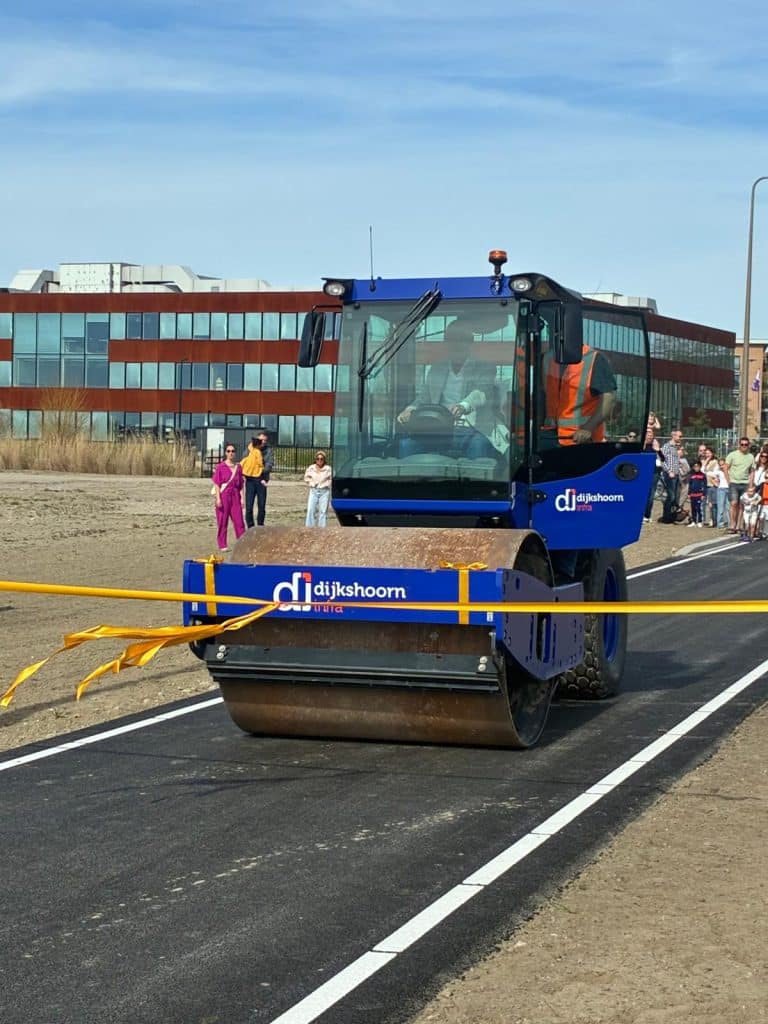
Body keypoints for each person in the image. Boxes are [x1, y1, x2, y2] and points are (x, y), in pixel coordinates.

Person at [397, 321, 498, 459]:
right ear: (447, 343)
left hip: (473, 431)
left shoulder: (485, 368)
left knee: (478, 445)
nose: (456, 344)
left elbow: (481, 393)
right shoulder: (436, 369)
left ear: (470, 342)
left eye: (461, 339)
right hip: (438, 430)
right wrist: (410, 409)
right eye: (452, 340)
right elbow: (423, 398)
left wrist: (463, 406)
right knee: (406, 445)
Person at [541, 342, 616, 445]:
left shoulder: (594, 359)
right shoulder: (548, 358)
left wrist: (588, 428)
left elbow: (608, 399)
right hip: (550, 438)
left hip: (581, 442)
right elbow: (546, 394)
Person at [211, 444, 245, 552]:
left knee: (239, 521)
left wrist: (242, 498)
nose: (231, 453)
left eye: (233, 451)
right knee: (222, 521)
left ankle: (241, 542)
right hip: (224, 495)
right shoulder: (220, 467)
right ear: (225, 452)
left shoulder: (238, 468)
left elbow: (241, 485)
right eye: (228, 451)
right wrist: (218, 498)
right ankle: (222, 544)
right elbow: (217, 483)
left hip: (235, 495)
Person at [725, 436, 755, 534]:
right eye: (742, 444)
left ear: (748, 445)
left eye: (746, 444)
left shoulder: (751, 457)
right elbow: (726, 468)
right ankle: (732, 524)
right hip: (734, 482)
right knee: (733, 503)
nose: (744, 446)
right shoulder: (732, 455)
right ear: (739, 445)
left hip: (745, 483)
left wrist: (750, 484)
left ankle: (738, 525)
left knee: (742, 505)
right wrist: (728, 481)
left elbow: (752, 471)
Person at [240, 436, 264, 530]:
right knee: (252, 505)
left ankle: (254, 526)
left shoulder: (250, 450)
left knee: (255, 505)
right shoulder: (257, 452)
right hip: (254, 478)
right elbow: (260, 463)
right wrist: (261, 468)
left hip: (251, 477)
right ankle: (254, 526)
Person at [304, 451, 332, 527]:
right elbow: (306, 478)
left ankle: (322, 529)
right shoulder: (311, 468)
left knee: (323, 511)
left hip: (324, 491)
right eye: (318, 459)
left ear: (324, 460)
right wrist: (311, 483)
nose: (319, 460)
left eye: (321, 459)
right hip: (314, 490)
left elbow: (331, 479)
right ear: (315, 459)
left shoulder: (328, 469)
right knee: (310, 510)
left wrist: (327, 484)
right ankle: (309, 528)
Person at [660, 429, 683, 523]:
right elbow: (661, 460)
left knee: (676, 496)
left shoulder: (676, 447)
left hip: (677, 474)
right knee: (671, 496)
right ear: (673, 436)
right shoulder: (667, 446)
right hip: (670, 474)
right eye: (679, 436)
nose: (681, 438)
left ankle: (671, 516)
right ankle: (666, 517)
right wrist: (669, 471)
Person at [642, 426, 664, 523]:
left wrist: (658, 450)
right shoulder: (642, 446)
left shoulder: (655, 446)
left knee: (651, 495)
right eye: (647, 434)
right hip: (642, 473)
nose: (649, 436)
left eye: (651, 434)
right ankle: (641, 514)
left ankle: (647, 515)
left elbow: (663, 459)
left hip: (654, 472)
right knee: (642, 494)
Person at [686, 460, 707, 528]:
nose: (696, 468)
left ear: (700, 467)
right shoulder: (691, 475)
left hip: (699, 494)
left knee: (699, 509)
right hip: (692, 495)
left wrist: (703, 494)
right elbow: (690, 485)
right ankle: (694, 521)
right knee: (693, 508)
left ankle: (700, 521)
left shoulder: (703, 475)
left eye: (697, 466)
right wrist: (689, 493)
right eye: (695, 466)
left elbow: (704, 486)